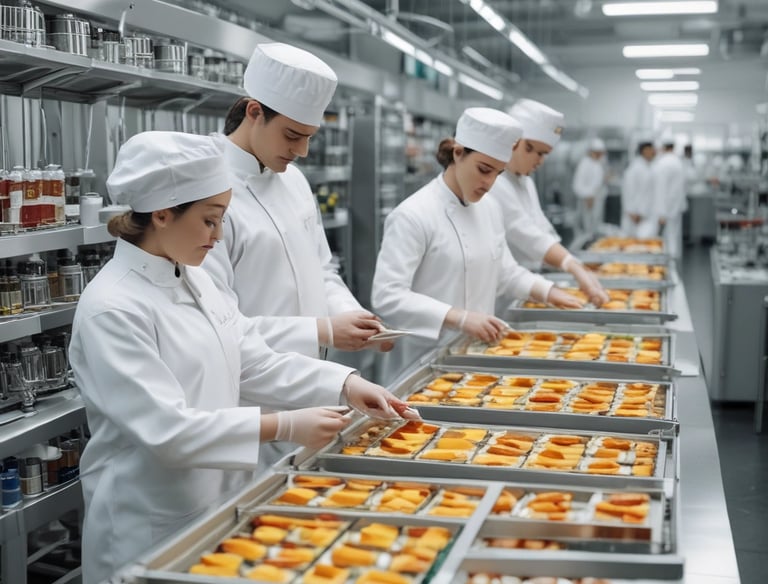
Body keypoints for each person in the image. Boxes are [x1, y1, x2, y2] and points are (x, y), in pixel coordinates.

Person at [69, 131, 415, 583]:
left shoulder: (194, 279)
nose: (218, 237)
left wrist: (345, 385)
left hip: (217, 504)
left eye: (223, 220)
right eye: (210, 220)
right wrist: (285, 425)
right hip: (147, 520)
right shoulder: (113, 307)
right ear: (161, 214)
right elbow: (168, 429)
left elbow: (254, 360)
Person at [203, 42, 389, 358]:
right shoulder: (207, 189)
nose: (301, 151)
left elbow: (322, 269)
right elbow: (215, 320)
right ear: (254, 112)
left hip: (314, 372)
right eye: (292, 135)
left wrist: (350, 315)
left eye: (309, 137)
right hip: (250, 387)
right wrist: (323, 330)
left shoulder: (295, 180)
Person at [371, 108, 583, 384]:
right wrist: (458, 318)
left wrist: (549, 292)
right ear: (458, 153)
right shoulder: (413, 215)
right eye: (483, 170)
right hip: (422, 365)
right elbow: (387, 296)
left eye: (498, 173)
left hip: (476, 359)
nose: (489, 183)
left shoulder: (490, 208)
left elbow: (506, 271)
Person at [487, 98, 609, 307]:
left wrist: (573, 263)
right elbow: (526, 234)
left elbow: (541, 229)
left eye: (545, 154)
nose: (540, 160)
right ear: (514, 142)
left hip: (528, 284)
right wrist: (571, 265)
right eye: (536, 152)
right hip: (501, 293)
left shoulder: (525, 181)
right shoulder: (495, 183)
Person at [652, 134, 687, 259]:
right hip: (676, 207)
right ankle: (674, 265)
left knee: (667, 240)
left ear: (662, 147)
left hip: (666, 208)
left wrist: (661, 213)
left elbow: (661, 189)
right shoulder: (677, 161)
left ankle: (669, 267)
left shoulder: (663, 163)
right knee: (674, 238)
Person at [621, 140, 657, 238]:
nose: (654, 152)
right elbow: (628, 191)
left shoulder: (648, 167)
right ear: (644, 151)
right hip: (635, 216)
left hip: (645, 214)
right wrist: (632, 211)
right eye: (651, 150)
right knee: (633, 244)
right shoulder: (635, 168)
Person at [572, 137, 608, 237]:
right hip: (588, 200)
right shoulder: (585, 163)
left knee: (594, 227)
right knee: (586, 228)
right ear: (592, 152)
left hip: (596, 200)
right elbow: (577, 185)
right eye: (598, 152)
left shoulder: (597, 163)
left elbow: (596, 181)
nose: (600, 155)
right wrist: (588, 196)